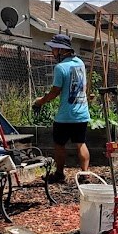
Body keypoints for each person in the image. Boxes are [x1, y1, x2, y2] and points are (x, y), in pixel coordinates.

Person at [33, 33, 90, 183]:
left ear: (61, 50)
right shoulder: (80, 63)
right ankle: (85, 175)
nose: (52, 52)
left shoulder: (60, 67)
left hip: (65, 115)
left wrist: (40, 101)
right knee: (81, 143)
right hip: (82, 112)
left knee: (59, 144)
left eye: (53, 49)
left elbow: (55, 92)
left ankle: (59, 174)